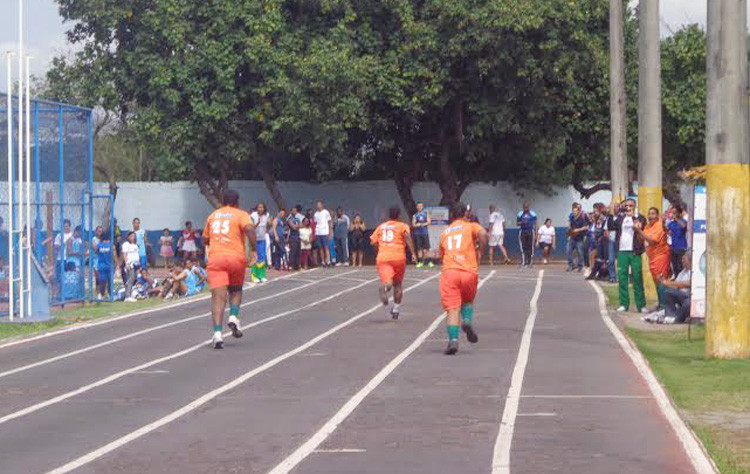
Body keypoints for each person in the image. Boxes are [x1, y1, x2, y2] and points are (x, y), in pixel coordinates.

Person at [204, 189, 257, 349]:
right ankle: (233, 316)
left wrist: (209, 253)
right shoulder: (241, 214)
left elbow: (205, 239)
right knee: (235, 290)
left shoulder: (213, 216)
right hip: (235, 257)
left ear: (222, 201)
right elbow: (249, 229)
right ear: (237, 201)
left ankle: (218, 334)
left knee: (218, 298)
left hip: (216, 258)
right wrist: (253, 249)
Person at [440, 203, 489, 355]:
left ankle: (453, 341)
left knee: (453, 308)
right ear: (465, 214)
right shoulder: (471, 226)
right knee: (467, 300)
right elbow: (483, 235)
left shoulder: (445, 232)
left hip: (450, 272)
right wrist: (481, 252)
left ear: (451, 216)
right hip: (468, 271)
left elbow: (441, 254)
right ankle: (467, 320)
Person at [370, 206, 416, 319]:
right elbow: (407, 237)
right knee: (398, 284)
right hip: (398, 256)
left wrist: (379, 250)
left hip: (383, 256)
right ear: (399, 215)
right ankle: (395, 309)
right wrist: (413, 253)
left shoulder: (381, 227)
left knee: (388, 282)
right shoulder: (402, 226)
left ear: (388, 215)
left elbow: (372, 242)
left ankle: (385, 288)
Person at [612, 199, 648, 313]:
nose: (628, 207)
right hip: (622, 251)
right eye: (626, 205)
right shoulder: (621, 218)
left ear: (635, 206)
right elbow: (611, 226)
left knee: (637, 277)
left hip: (634, 251)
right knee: (622, 277)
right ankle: (624, 303)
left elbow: (640, 226)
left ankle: (641, 305)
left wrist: (633, 216)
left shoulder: (640, 217)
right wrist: (612, 213)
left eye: (630, 205)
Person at [636, 207, 671, 310]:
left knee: (661, 280)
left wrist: (640, 231)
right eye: (649, 214)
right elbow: (641, 240)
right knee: (656, 281)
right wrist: (638, 231)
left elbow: (652, 241)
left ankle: (664, 306)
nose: (650, 216)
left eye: (653, 214)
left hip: (661, 256)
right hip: (652, 257)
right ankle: (661, 304)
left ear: (657, 215)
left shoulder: (659, 226)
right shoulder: (647, 227)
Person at [657, 251, 692, 324]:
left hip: (688, 295)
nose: (682, 261)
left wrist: (669, 283)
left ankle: (677, 319)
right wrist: (664, 282)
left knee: (687, 303)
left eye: (684, 259)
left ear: (690, 260)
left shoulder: (693, 271)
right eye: (682, 259)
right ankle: (670, 316)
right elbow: (675, 286)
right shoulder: (683, 272)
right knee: (667, 292)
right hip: (680, 295)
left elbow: (688, 284)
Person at [250, 202, 270, 283]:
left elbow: (267, 226)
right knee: (255, 257)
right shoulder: (253, 216)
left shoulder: (266, 215)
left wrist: (269, 223)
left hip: (262, 239)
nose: (260, 209)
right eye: (259, 207)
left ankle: (262, 275)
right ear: (256, 208)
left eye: (262, 207)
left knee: (262, 257)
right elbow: (251, 228)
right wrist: (257, 223)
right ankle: (254, 276)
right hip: (254, 239)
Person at [566, 203, 589, 272]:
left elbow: (587, 227)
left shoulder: (582, 218)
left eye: (575, 211)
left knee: (580, 252)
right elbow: (570, 226)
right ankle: (571, 265)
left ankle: (580, 266)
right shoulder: (571, 217)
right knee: (568, 250)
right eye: (573, 211)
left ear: (578, 211)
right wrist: (569, 233)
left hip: (580, 238)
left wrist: (578, 230)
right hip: (572, 237)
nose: (574, 212)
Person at [667, 205, 689, 276]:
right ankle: (677, 280)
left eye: (675, 213)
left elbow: (684, 226)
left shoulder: (683, 221)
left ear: (679, 213)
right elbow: (668, 231)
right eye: (672, 213)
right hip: (673, 248)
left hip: (681, 248)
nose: (673, 215)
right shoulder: (671, 223)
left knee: (682, 267)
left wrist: (676, 218)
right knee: (675, 267)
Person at [121, 231, 141, 302]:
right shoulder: (126, 244)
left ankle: (129, 293)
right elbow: (125, 254)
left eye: (134, 236)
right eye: (132, 236)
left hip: (136, 264)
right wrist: (126, 264)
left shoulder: (135, 245)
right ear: (128, 237)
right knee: (131, 279)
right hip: (130, 264)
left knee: (133, 279)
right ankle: (127, 296)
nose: (133, 237)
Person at [516, 203, 537, 268]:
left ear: (529, 207)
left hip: (530, 231)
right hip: (523, 231)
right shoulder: (520, 214)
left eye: (527, 207)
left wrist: (536, 233)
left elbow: (536, 224)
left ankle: (530, 262)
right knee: (523, 247)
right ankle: (524, 262)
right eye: (524, 207)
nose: (526, 208)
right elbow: (517, 223)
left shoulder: (533, 214)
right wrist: (521, 222)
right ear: (523, 207)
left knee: (530, 247)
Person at [412, 202, 433, 268]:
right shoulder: (415, 215)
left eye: (421, 206)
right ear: (416, 207)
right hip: (418, 234)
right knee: (419, 249)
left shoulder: (426, 214)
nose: (420, 207)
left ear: (422, 207)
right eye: (418, 206)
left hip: (425, 233)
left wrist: (422, 224)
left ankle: (429, 262)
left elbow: (429, 222)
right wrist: (416, 225)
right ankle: (420, 262)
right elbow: (413, 224)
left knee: (427, 248)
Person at [313, 201, 332, 267]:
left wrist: (329, 232)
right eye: (317, 205)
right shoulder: (315, 214)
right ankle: (323, 261)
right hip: (318, 232)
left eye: (319, 205)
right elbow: (315, 223)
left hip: (325, 232)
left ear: (322, 205)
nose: (318, 206)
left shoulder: (326, 212)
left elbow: (329, 222)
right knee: (320, 248)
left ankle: (328, 261)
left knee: (326, 247)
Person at [95, 231, 113, 301]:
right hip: (109, 265)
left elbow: (96, 252)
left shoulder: (99, 245)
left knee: (102, 281)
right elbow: (113, 254)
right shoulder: (110, 245)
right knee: (109, 281)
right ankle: (110, 295)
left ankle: (100, 295)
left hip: (101, 265)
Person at [287, 205, 303, 271]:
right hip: (292, 237)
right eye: (293, 211)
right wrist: (297, 225)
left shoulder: (298, 219)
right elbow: (293, 227)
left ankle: (297, 265)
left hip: (298, 236)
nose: (294, 212)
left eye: (295, 211)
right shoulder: (290, 219)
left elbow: (302, 225)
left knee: (298, 252)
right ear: (291, 211)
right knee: (292, 251)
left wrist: (297, 226)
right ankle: (291, 265)